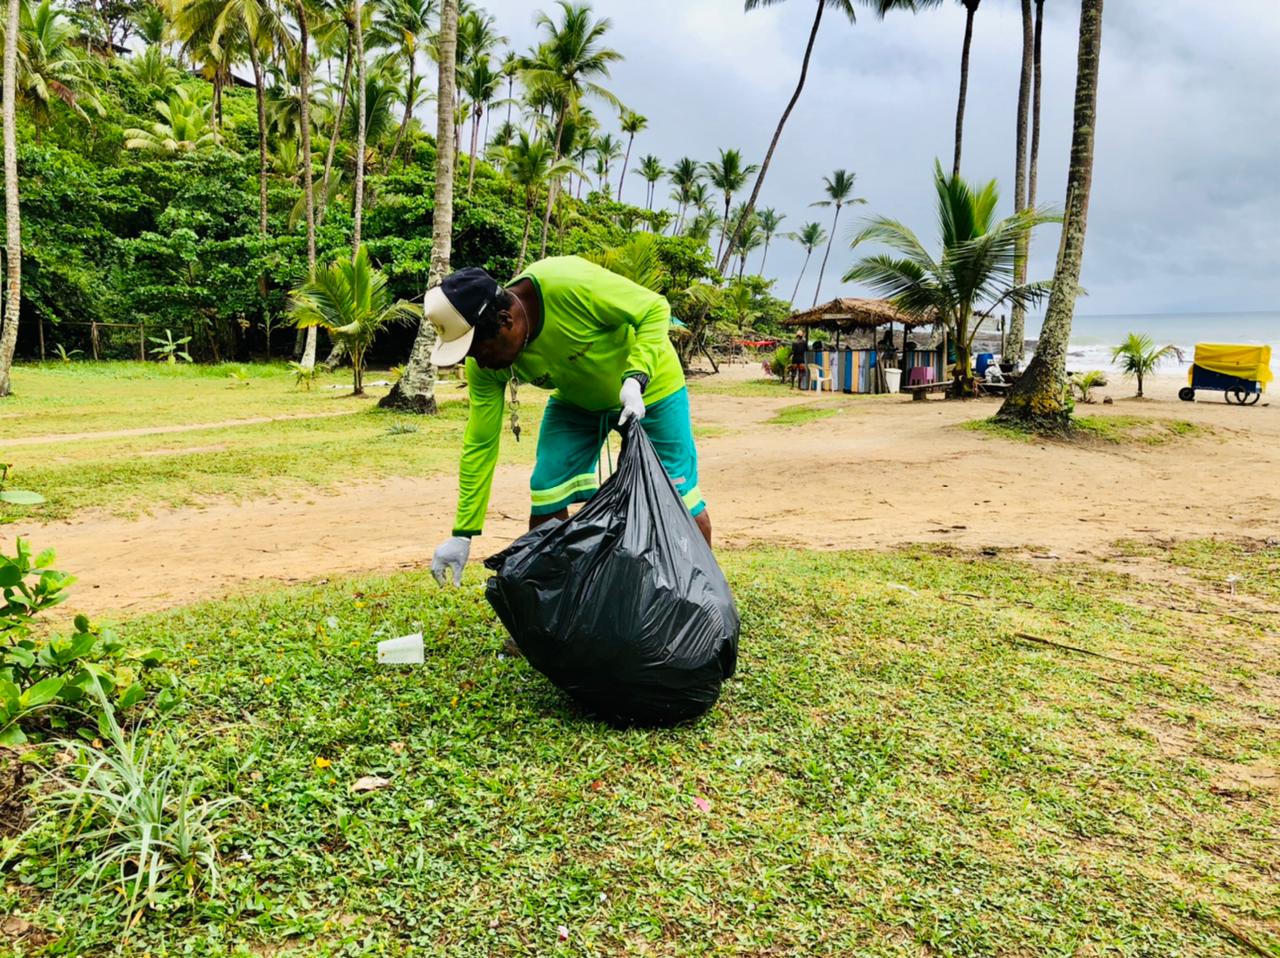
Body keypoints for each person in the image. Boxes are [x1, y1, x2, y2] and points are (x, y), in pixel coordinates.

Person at [426, 256, 710, 587]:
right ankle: (552, 602)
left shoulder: (568, 284)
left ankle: (704, 598)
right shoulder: (487, 366)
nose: (479, 363)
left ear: (506, 321)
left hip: (652, 390)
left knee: (676, 496)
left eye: (479, 350)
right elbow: (480, 443)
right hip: (577, 402)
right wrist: (463, 532)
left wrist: (636, 378)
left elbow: (654, 308)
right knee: (548, 486)